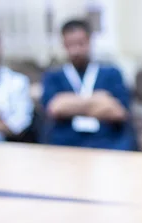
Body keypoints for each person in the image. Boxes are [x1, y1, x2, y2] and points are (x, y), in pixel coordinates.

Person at [42, 19, 136, 150]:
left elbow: (118, 112)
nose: (76, 50)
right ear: (63, 44)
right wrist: (99, 100)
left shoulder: (111, 73)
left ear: (90, 41)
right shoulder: (54, 76)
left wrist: (69, 103)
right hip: (66, 145)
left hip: (107, 144)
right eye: (70, 45)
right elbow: (56, 108)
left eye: (81, 43)